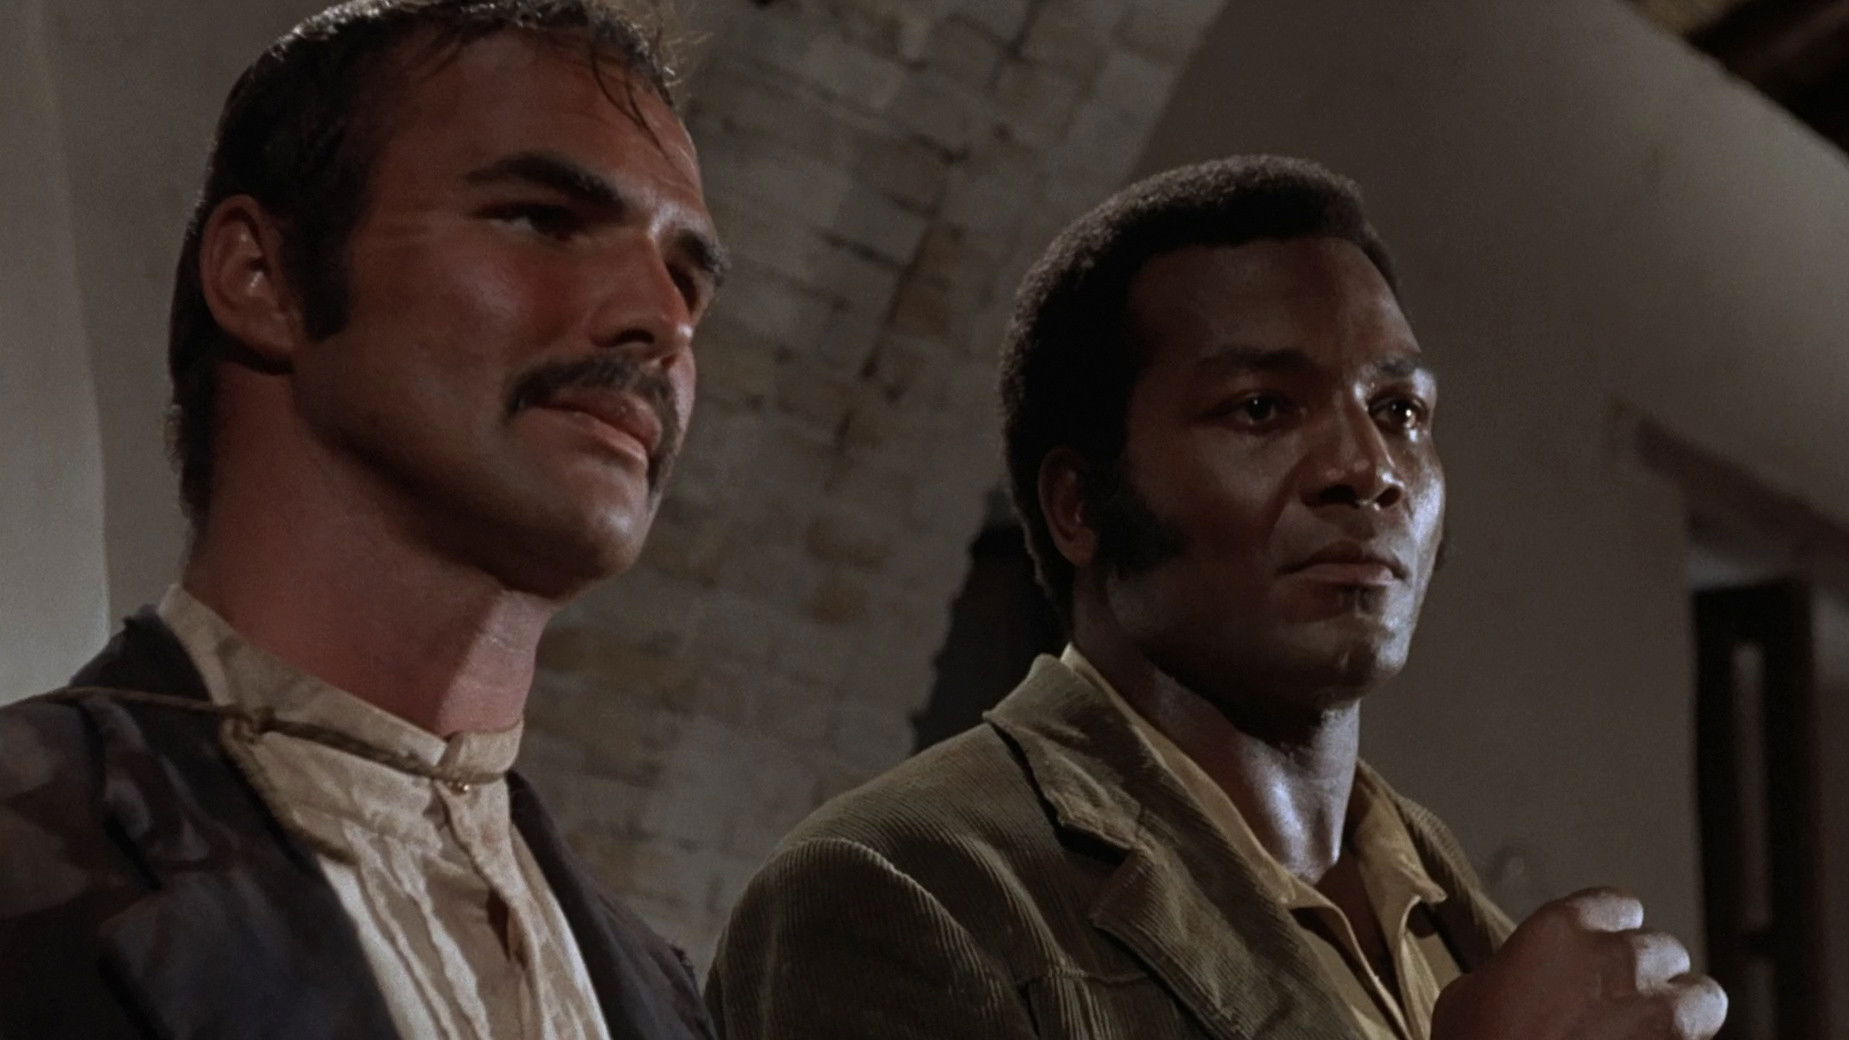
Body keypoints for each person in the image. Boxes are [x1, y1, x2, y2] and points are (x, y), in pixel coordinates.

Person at [706, 157, 1726, 1039]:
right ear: (1078, 505)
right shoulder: (895, 891)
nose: (1368, 467)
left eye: (1398, 409)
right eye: (1261, 408)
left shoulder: (1455, 920)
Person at [0, 1, 726, 1037]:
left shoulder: (664, 998)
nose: (661, 322)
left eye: (687, 278)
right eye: (541, 219)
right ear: (262, 277)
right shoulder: (28, 851)